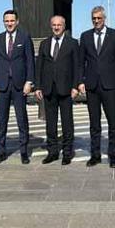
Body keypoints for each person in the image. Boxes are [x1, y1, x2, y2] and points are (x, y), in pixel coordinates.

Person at [79, 5, 115, 168]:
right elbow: (80, 61)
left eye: (99, 18)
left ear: (104, 19)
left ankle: (113, 155)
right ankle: (95, 155)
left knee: (113, 122)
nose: (96, 21)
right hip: (91, 86)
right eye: (94, 18)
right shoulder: (85, 36)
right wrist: (80, 81)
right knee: (94, 123)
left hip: (110, 85)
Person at [0, 9, 35, 164]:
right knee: (2, 120)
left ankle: (24, 151)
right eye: (6, 21)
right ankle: (1, 151)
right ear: (3, 22)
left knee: (22, 119)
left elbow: (30, 61)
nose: (9, 23)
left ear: (17, 21)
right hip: (2, 85)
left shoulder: (24, 37)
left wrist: (29, 81)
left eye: (11, 20)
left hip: (19, 85)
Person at [36, 15, 80, 165]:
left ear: (64, 26)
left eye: (59, 25)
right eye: (54, 25)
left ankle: (67, 152)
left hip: (66, 89)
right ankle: (52, 152)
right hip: (48, 89)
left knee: (67, 122)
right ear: (51, 26)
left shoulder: (73, 43)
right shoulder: (44, 44)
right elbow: (39, 66)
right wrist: (38, 86)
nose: (56, 27)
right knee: (51, 123)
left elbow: (77, 66)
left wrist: (75, 86)